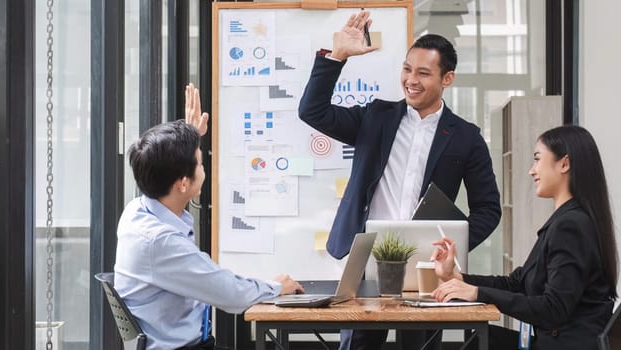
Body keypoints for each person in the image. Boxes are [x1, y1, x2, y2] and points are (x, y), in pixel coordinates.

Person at [298, 10, 501, 350]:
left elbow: (488, 209)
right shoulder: (376, 117)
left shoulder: (466, 137)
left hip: (424, 264)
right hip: (366, 258)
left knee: (419, 344)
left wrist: (452, 246)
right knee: (358, 345)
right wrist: (337, 56)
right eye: (407, 69)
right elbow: (312, 111)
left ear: (447, 79)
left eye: (424, 73)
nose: (411, 80)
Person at [114, 84, 304, 350]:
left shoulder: (138, 210)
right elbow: (230, 294)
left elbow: (161, 163)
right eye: (200, 163)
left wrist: (191, 136)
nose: (204, 169)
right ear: (182, 183)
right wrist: (275, 287)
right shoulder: (159, 241)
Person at [430, 125, 620, 350]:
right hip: (556, 341)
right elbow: (517, 283)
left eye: (538, 159)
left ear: (565, 164)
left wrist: (477, 293)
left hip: (561, 344)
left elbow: (554, 309)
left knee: (479, 340)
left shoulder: (570, 226)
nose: (532, 170)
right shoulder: (568, 220)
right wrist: (458, 277)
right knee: (480, 338)